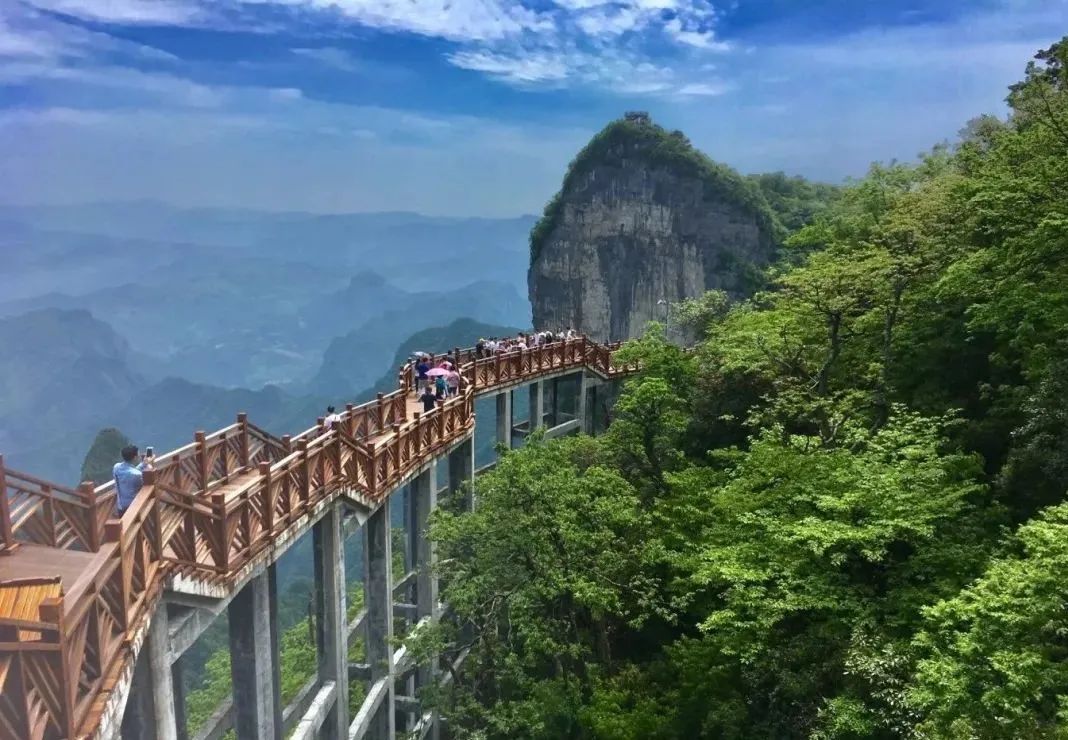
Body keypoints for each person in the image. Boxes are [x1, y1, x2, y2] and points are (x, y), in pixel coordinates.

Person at [114, 445, 153, 517]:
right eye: (138, 454)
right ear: (135, 457)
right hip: (134, 506)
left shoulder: (116, 467)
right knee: (137, 527)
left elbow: (130, 471)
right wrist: (149, 465)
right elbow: (146, 484)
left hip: (121, 506)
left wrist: (143, 464)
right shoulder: (137, 475)